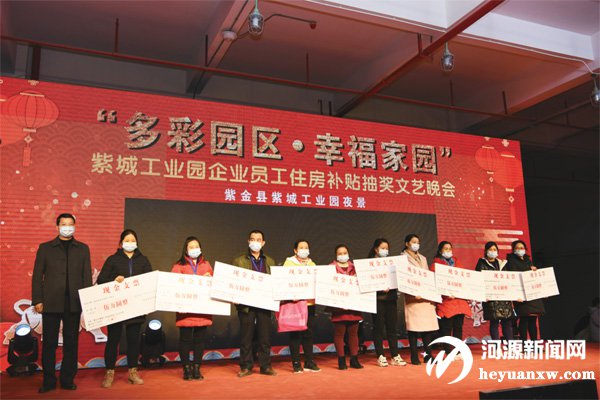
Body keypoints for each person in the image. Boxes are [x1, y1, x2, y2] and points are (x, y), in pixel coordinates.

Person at [32, 213, 92, 393]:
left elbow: (86, 276)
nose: (67, 227)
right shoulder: (45, 248)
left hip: (74, 302)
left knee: (71, 343)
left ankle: (67, 379)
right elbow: (37, 276)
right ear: (57, 227)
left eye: (70, 224)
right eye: (63, 224)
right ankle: (48, 381)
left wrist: (87, 301)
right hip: (50, 302)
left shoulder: (83, 249)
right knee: (49, 343)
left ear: (75, 226)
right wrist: (38, 299)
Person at [97, 229, 152, 388]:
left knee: (133, 341)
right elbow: (101, 280)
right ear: (121, 243)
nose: (130, 243)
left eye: (132, 240)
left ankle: (133, 372)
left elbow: (150, 281)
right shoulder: (113, 259)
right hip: (116, 307)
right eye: (127, 240)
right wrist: (114, 280)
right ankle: (109, 372)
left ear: (137, 243)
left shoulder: (143, 260)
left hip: (136, 307)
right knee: (113, 340)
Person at [232, 230, 277, 377]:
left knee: (265, 337)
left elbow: (275, 282)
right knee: (246, 337)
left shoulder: (270, 261)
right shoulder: (239, 261)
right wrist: (234, 297)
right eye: (252, 239)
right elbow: (233, 282)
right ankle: (246, 366)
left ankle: (266, 366)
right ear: (248, 241)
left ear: (263, 243)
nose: (255, 242)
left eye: (258, 240)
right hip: (246, 305)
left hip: (264, 303)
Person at [171, 236, 213, 380]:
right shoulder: (178, 266)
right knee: (185, 340)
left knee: (200, 341)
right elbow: (173, 286)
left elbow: (215, 285)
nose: (194, 249)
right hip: (186, 310)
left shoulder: (207, 265)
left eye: (197, 246)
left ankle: (196, 368)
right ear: (186, 249)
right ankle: (186, 368)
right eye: (191, 247)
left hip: (202, 309)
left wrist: (210, 279)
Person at [282, 240, 320, 373]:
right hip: (295, 304)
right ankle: (296, 363)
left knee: (308, 333)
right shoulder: (289, 263)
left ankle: (309, 362)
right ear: (295, 250)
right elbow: (284, 281)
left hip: (309, 304)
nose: (304, 250)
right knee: (295, 334)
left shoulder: (312, 264)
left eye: (306, 247)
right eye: (301, 247)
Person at [368, 238, 406, 367]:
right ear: (376, 249)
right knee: (378, 328)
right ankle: (380, 355)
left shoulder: (392, 263)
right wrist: (379, 287)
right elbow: (367, 282)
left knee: (392, 328)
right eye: (382, 248)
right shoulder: (369, 264)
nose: (385, 251)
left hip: (391, 298)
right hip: (377, 300)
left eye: (386, 248)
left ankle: (395, 355)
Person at [429, 241, 472, 358]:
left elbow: (463, 281)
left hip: (459, 301)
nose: (448, 251)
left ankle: (458, 350)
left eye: (450, 249)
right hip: (446, 302)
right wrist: (445, 293)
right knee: (446, 329)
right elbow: (433, 283)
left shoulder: (458, 263)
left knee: (458, 328)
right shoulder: (435, 265)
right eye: (446, 249)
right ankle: (448, 351)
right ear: (440, 251)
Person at [401, 234, 438, 365]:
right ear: (407, 243)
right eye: (413, 242)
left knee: (427, 328)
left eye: (418, 242)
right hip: (413, 298)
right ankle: (414, 356)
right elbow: (403, 278)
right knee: (414, 328)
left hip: (425, 296)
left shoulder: (423, 258)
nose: (416, 244)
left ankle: (428, 355)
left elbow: (426, 276)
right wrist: (412, 293)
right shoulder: (402, 258)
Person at [329, 244, 363, 370]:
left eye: (345, 253)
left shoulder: (356, 267)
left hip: (354, 305)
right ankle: (341, 360)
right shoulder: (330, 268)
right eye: (340, 253)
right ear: (336, 255)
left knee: (353, 334)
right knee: (340, 334)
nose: (343, 255)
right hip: (339, 306)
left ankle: (354, 359)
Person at [505, 240, 545, 341]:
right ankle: (524, 343)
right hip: (521, 294)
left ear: (525, 249)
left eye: (522, 248)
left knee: (533, 319)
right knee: (524, 319)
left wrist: (534, 271)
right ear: (513, 250)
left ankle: (534, 343)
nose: (520, 250)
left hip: (531, 293)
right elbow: (513, 276)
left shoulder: (528, 260)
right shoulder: (510, 261)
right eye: (517, 248)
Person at [475, 241, 515, 341]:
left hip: (504, 297)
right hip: (491, 298)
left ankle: (510, 344)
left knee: (507, 322)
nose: (492, 251)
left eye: (494, 249)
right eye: (490, 249)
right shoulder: (481, 263)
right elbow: (478, 280)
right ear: (486, 251)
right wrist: (483, 295)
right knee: (494, 322)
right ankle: (496, 346)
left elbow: (509, 279)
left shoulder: (503, 263)